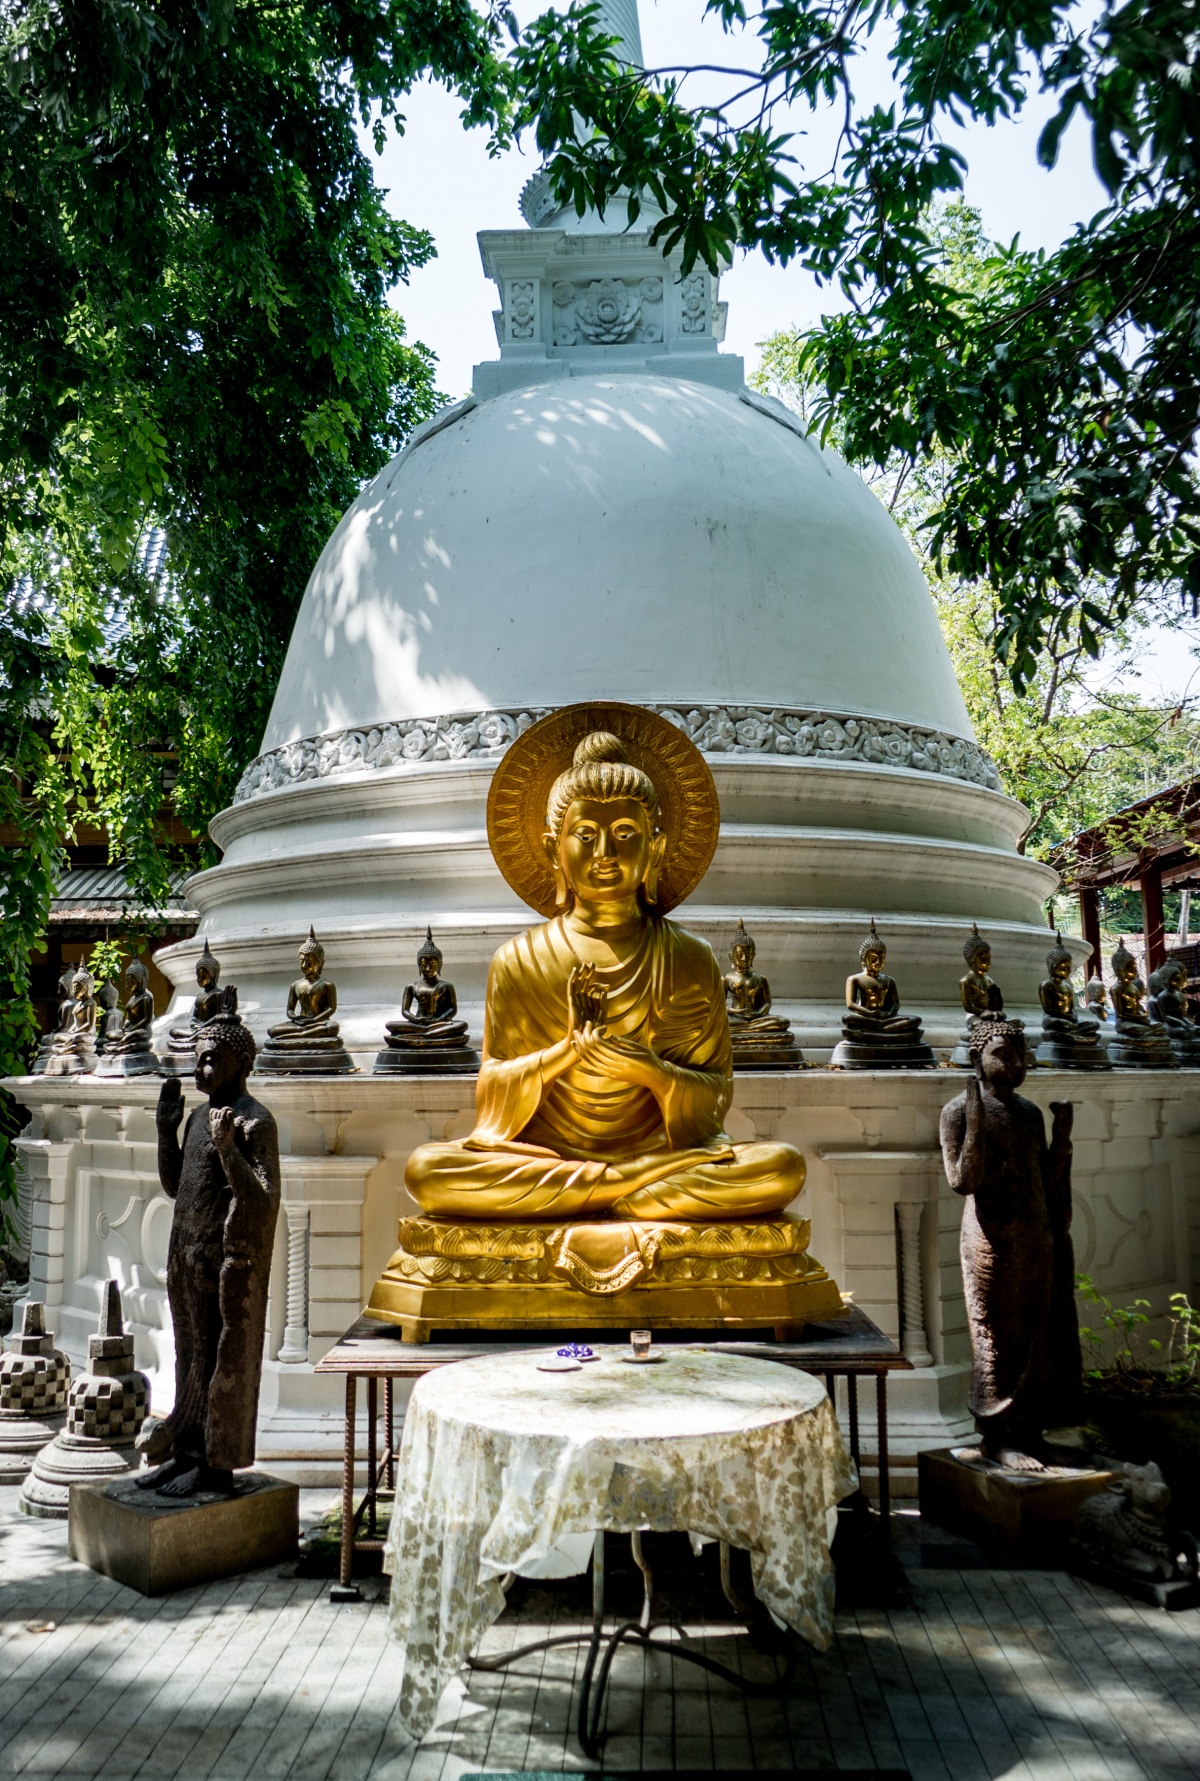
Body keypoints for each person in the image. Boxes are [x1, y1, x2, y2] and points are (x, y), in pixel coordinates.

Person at [404, 730, 803, 1221]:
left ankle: (603, 1191)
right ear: (554, 850)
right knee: (427, 1172)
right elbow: (492, 1095)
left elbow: (715, 1094)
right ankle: (624, 1190)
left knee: (782, 1167)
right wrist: (566, 1052)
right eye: (586, 836)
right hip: (551, 1161)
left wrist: (649, 1072)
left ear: (655, 849)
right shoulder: (519, 959)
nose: (605, 855)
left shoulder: (689, 956)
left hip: (662, 1155)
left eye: (625, 835)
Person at [140, 1005, 280, 1496]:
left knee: (217, 1359)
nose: (202, 1070)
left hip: (223, 1261)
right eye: (198, 1060)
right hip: (186, 1254)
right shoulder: (199, 1116)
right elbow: (176, 1185)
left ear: (242, 1064)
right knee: (187, 1354)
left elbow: (262, 1201)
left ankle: (216, 1464)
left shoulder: (254, 1123)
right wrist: (164, 1131)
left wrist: (228, 1151)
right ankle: (185, 1452)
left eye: (212, 1060)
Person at [940, 1022, 1081, 1469]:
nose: (1015, 1064)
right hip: (990, 1239)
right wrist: (977, 1119)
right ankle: (998, 1434)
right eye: (1002, 1053)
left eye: (1020, 1055)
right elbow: (964, 1180)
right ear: (977, 1058)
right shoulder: (957, 1111)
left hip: (1034, 1234)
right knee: (995, 1333)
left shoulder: (1028, 1113)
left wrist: (1062, 1140)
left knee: (1037, 1329)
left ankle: (1032, 1428)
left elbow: (1046, 1181)